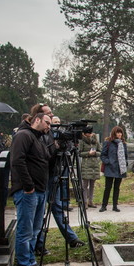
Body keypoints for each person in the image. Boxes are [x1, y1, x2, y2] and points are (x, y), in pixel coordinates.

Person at [33, 105, 84, 255]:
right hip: (42, 177)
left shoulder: (52, 133)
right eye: (48, 115)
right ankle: (38, 244)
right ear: (39, 117)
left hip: (56, 173)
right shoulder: (36, 135)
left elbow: (65, 149)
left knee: (58, 207)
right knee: (41, 212)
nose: (51, 117)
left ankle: (71, 238)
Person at [10, 113, 52, 266]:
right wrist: (28, 186)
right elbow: (17, 161)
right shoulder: (23, 135)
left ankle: (30, 260)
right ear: (37, 120)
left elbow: (46, 159)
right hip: (28, 191)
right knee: (25, 231)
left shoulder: (38, 138)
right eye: (47, 122)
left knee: (35, 230)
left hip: (40, 190)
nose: (49, 126)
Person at [100, 126, 128, 212]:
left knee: (117, 188)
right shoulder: (108, 142)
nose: (119, 134)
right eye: (118, 132)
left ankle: (115, 205)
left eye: (121, 132)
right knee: (108, 187)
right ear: (114, 133)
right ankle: (104, 205)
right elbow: (103, 155)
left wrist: (125, 163)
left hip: (120, 168)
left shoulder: (123, 144)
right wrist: (108, 161)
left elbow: (125, 155)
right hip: (110, 168)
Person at [78, 126, 101, 208]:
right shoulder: (82, 141)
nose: (89, 135)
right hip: (86, 164)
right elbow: (79, 153)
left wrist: (95, 153)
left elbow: (100, 151)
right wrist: (88, 153)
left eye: (90, 133)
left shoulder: (95, 140)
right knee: (85, 185)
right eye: (88, 133)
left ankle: (91, 201)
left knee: (92, 184)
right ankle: (84, 201)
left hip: (94, 164)